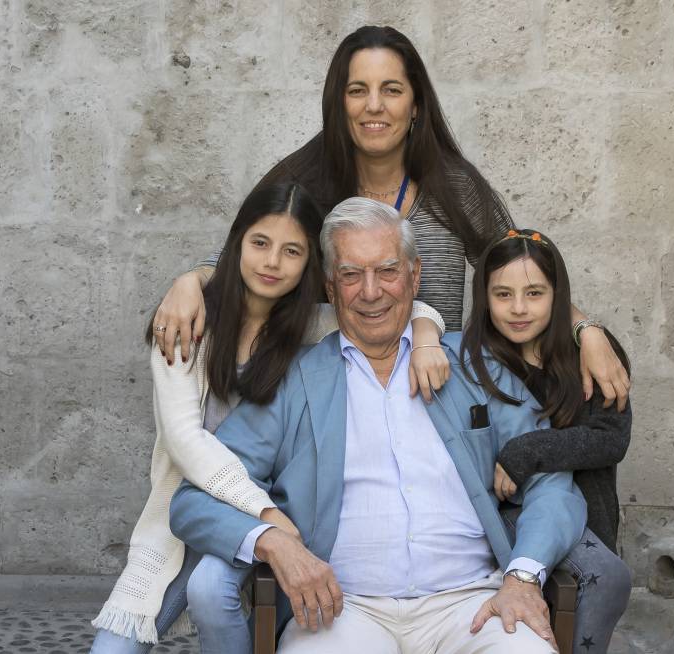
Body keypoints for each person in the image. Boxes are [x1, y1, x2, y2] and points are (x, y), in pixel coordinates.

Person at [170, 198, 587, 654]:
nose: (371, 292)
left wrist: (524, 575)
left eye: (387, 271)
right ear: (330, 286)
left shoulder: (475, 368)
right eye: (351, 275)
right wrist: (273, 543)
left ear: (415, 276)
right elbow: (197, 498)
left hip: (474, 603)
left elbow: (551, 478)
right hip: (340, 610)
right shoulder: (293, 382)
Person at [151, 25, 631, 409]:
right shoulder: (304, 181)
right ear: (339, 103)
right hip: (333, 403)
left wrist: (584, 330)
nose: (374, 106)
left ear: (416, 104)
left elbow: (521, 271)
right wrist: (190, 280)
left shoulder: (456, 186)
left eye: (391, 90)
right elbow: (251, 255)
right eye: (357, 90)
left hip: (439, 395)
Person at [89, 184, 445, 653]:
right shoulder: (185, 323)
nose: (272, 262)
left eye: (292, 251)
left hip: (283, 508)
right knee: (113, 647)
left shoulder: (311, 324)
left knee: (210, 589)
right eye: (260, 243)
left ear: (309, 267)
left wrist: (425, 338)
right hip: (193, 512)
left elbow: (397, 306)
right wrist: (189, 280)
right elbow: (184, 441)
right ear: (237, 242)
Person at [461, 228, 633, 652]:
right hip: (508, 510)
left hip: (585, 513)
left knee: (605, 578)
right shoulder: (474, 359)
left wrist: (527, 451)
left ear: (558, 296)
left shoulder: (591, 353)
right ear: (484, 298)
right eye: (503, 295)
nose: (518, 309)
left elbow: (610, 440)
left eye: (535, 293)